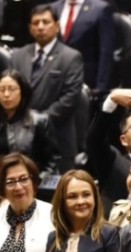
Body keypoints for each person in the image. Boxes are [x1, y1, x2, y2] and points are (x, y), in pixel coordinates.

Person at [9, 5, 83, 171]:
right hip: (21, 142)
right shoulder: (17, 56)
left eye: (45, 22)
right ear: (30, 28)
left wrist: (38, 122)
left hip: (58, 138)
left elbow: (70, 98)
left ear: (57, 26)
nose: (40, 26)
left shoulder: (71, 57)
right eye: (36, 23)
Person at [0, 70, 61, 173]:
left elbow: (52, 162)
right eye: (2, 90)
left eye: (11, 89)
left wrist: (36, 182)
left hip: (32, 183)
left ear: (23, 92)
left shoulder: (40, 121)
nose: (6, 94)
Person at [51, 0, 115, 94]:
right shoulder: (53, 8)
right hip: (54, 80)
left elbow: (106, 52)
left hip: (87, 81)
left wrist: (101, 87)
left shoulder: (101, 9)